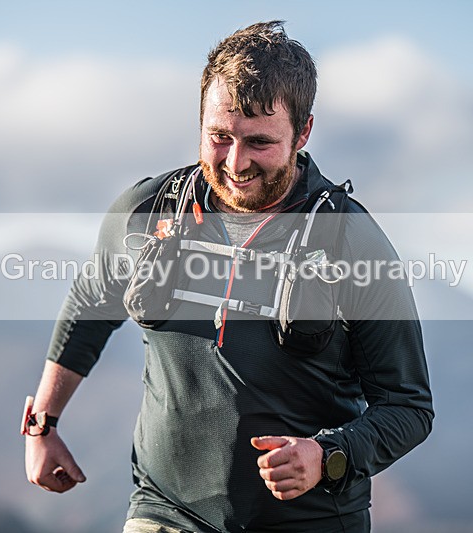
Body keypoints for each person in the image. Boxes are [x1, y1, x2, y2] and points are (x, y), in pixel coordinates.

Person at [23, 21, 433, 532]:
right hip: (165, 512)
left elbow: (408, 406)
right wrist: (42, 424)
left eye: (259, 142)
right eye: (219, 137)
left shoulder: (353, 241)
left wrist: (330, 455)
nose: (235, 163)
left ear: (302, 132)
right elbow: (92, 299)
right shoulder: (146, 212)